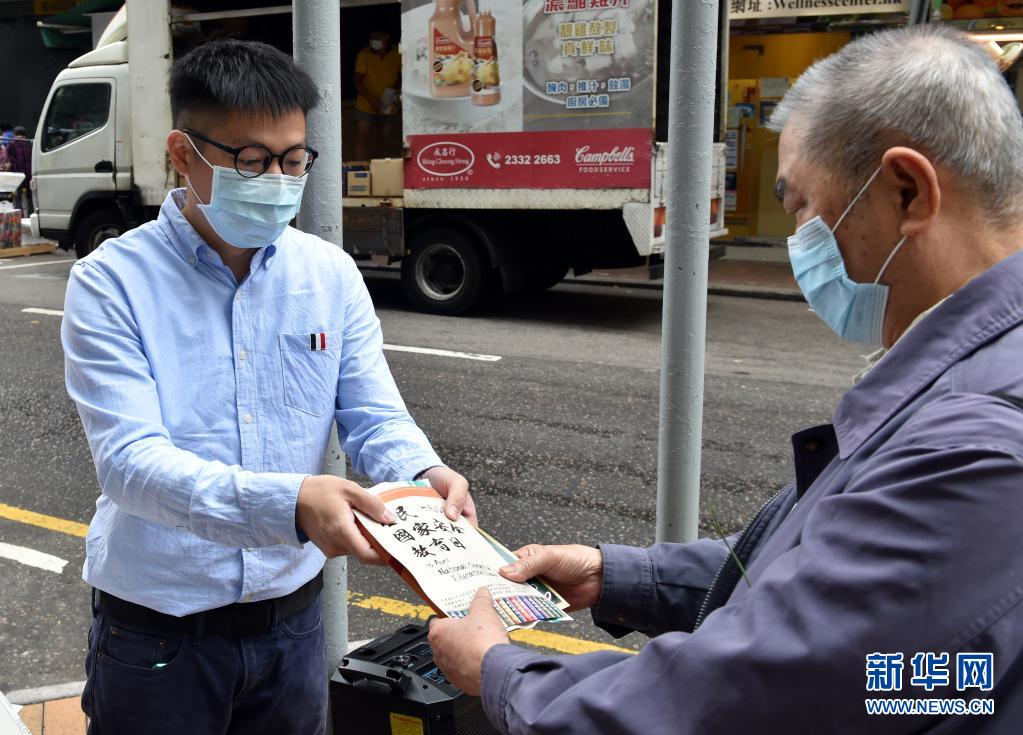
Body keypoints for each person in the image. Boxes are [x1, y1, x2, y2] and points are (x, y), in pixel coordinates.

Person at [429, 24, 1023, 733]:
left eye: (802, 204)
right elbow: (888, 644)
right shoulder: (973, 377)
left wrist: (502, 670)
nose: (798, 234)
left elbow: (755, 697)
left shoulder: (978, 439)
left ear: (906, 191)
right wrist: (620, 575)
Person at [62, 39, 474, 735]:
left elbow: (373, 414)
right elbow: (131, 464)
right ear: (182, 153)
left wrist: (422, 473)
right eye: (251, 160)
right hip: (158, 632)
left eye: (292, 160)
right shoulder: (110, 283)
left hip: (292, 624)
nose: (278, 179)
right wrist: (291, 502)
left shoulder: (328, 275)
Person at [352, 29, 400, 161]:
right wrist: (372, 100)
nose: (374, 41)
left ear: (387, 36)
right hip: (365, 104)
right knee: (362, 138)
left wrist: (393, 94)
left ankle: (380, 170)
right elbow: (357, 80)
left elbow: (403, 76)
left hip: (388, 102)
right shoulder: (364, 54)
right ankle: (360, 169)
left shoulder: (397, 53)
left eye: (377, 37)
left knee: (384, 139)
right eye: (372, 38)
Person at [7, 126, 33, 215]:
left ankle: (19, 217)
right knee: (30, 196)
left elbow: (9, 159)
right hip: (29, 174)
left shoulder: (11, 144)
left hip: (17, 175)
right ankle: (30, 215)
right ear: (24, 134)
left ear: (14, 134)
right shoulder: (30, 143)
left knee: (17, 197)